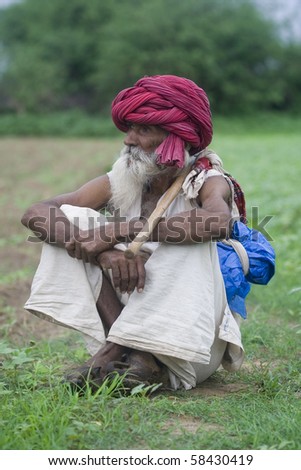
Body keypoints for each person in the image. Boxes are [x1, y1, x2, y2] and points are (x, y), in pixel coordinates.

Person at [21, 75, 248, 392]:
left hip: (187, 342)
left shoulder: (208, 179)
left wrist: (124, 229)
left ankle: (131, 354)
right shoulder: (124, 176)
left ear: (174, 137)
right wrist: (104, 252)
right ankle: (129, 351)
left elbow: (218, 222)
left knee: (194, 232)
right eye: (129, 129)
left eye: (143, 130)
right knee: (71, 219)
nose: (128, 140)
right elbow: (36, 211)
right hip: (125, 332)